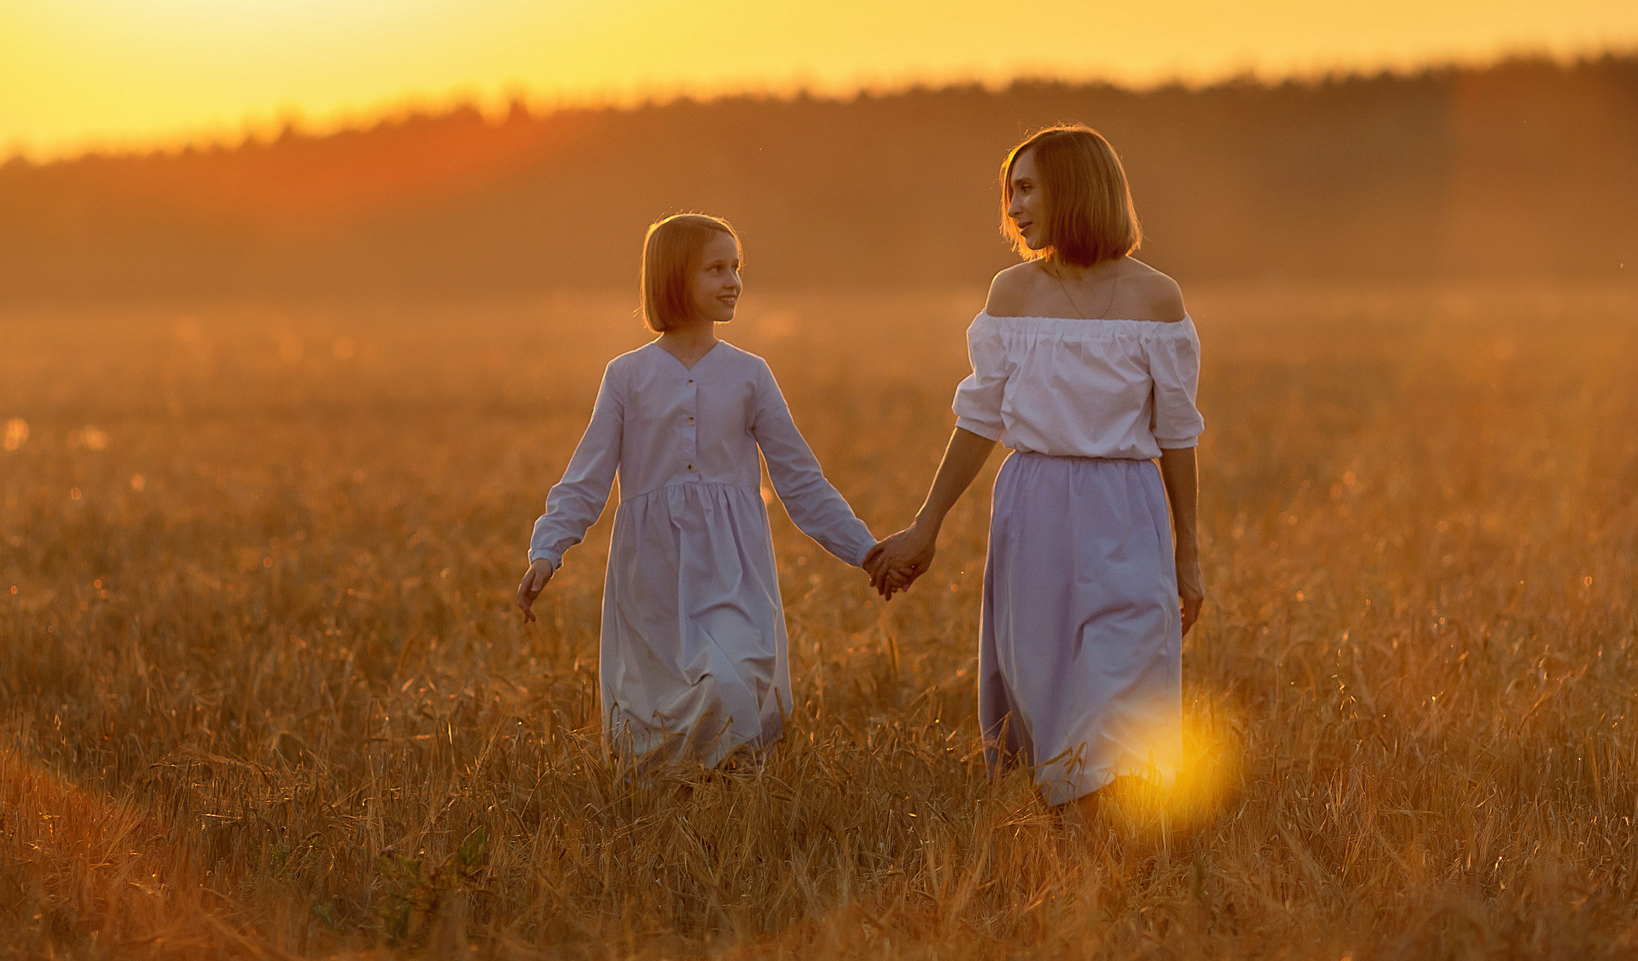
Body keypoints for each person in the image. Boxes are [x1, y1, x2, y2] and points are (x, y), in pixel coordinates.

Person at [866, 126, 1206, 806]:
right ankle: (1070, 846)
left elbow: (1177, 433)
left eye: (1026, 189)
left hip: (1127, 511)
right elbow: (978, 419)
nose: (1013, 208)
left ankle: (1114, 841)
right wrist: (926, 525)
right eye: (1009, 192)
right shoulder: (1012, 293)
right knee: (1047, 692)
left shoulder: (1157, 298)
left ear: (1074, 189)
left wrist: (1188, 552)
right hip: (1035, 508)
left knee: (1127, 684)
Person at [515, 213, 883, 767]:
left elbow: (801, 480)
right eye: (716, 269)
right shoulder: (626, 376)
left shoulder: (751, 374)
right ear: (673, 276)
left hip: (733, 565)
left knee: (734, 675)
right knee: (661, 709)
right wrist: (548, 550)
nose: (733, 281)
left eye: (736, 267)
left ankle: (741, 800)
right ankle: (678, 806)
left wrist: (865, 551)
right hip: (653, 571)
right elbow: (586, 477)